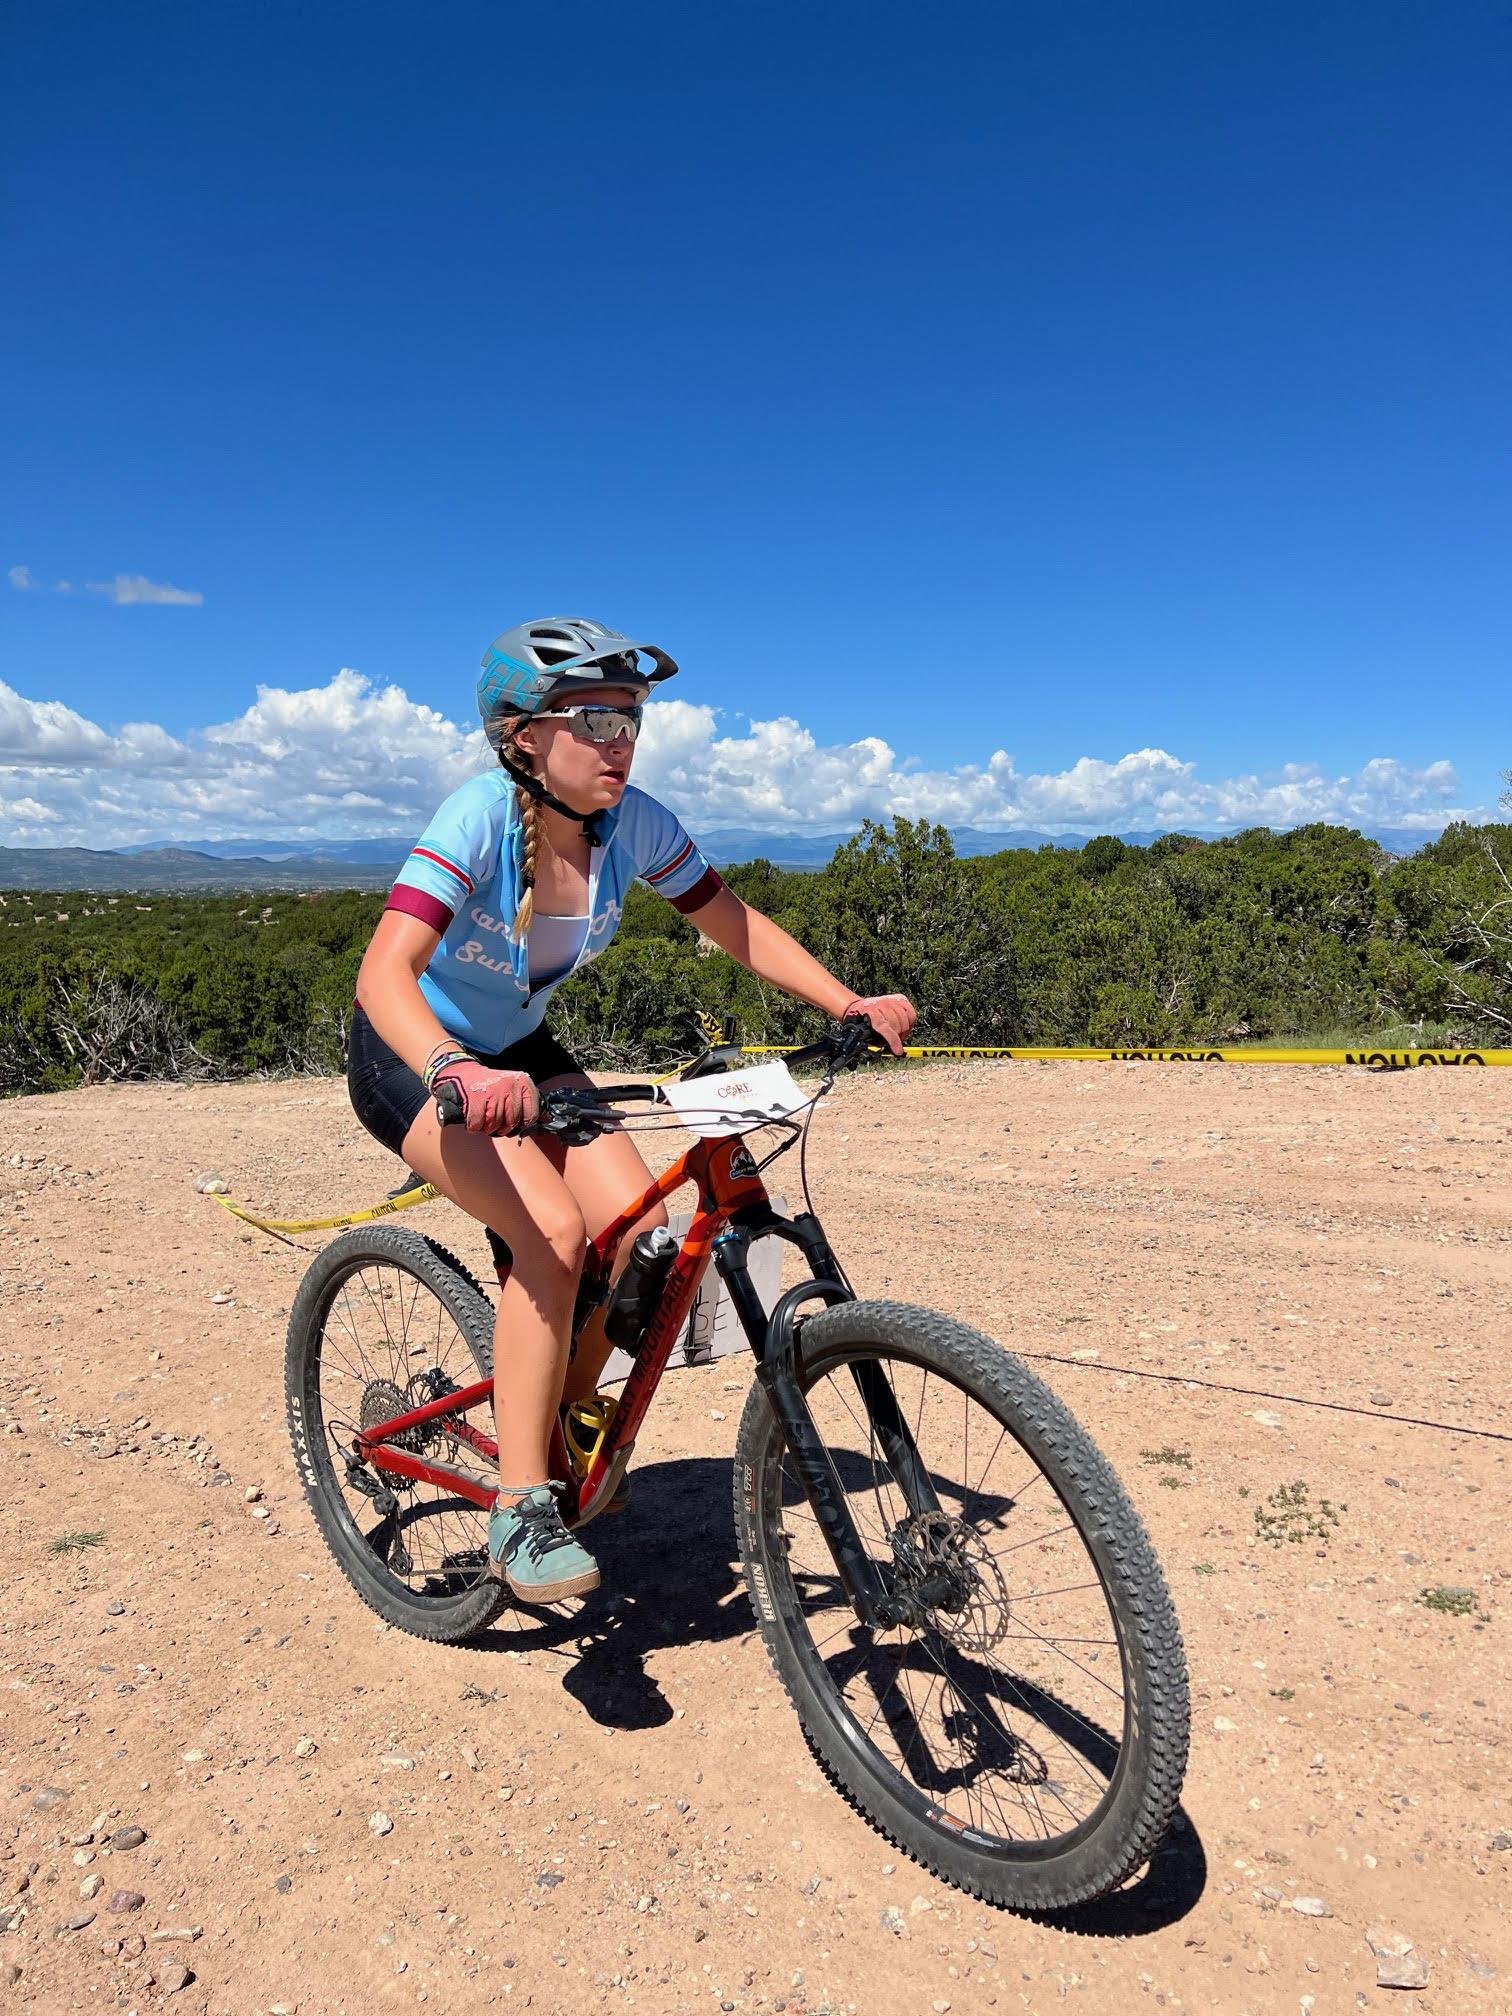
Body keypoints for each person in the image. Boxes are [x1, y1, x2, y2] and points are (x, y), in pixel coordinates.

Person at [349, 617, 916, 1602]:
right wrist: (451, 1066)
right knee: (555, 1238)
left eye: (633, 719)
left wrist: (846, 1002)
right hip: (412, 1054)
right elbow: (383, 972)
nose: (623, 742)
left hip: (518, 1050)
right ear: (524, 735)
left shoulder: (633, 824)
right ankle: (520, 1507)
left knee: (642, 1236)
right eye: (597, 719)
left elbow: (729, 920)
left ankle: (560, 1415)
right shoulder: (476, 821)